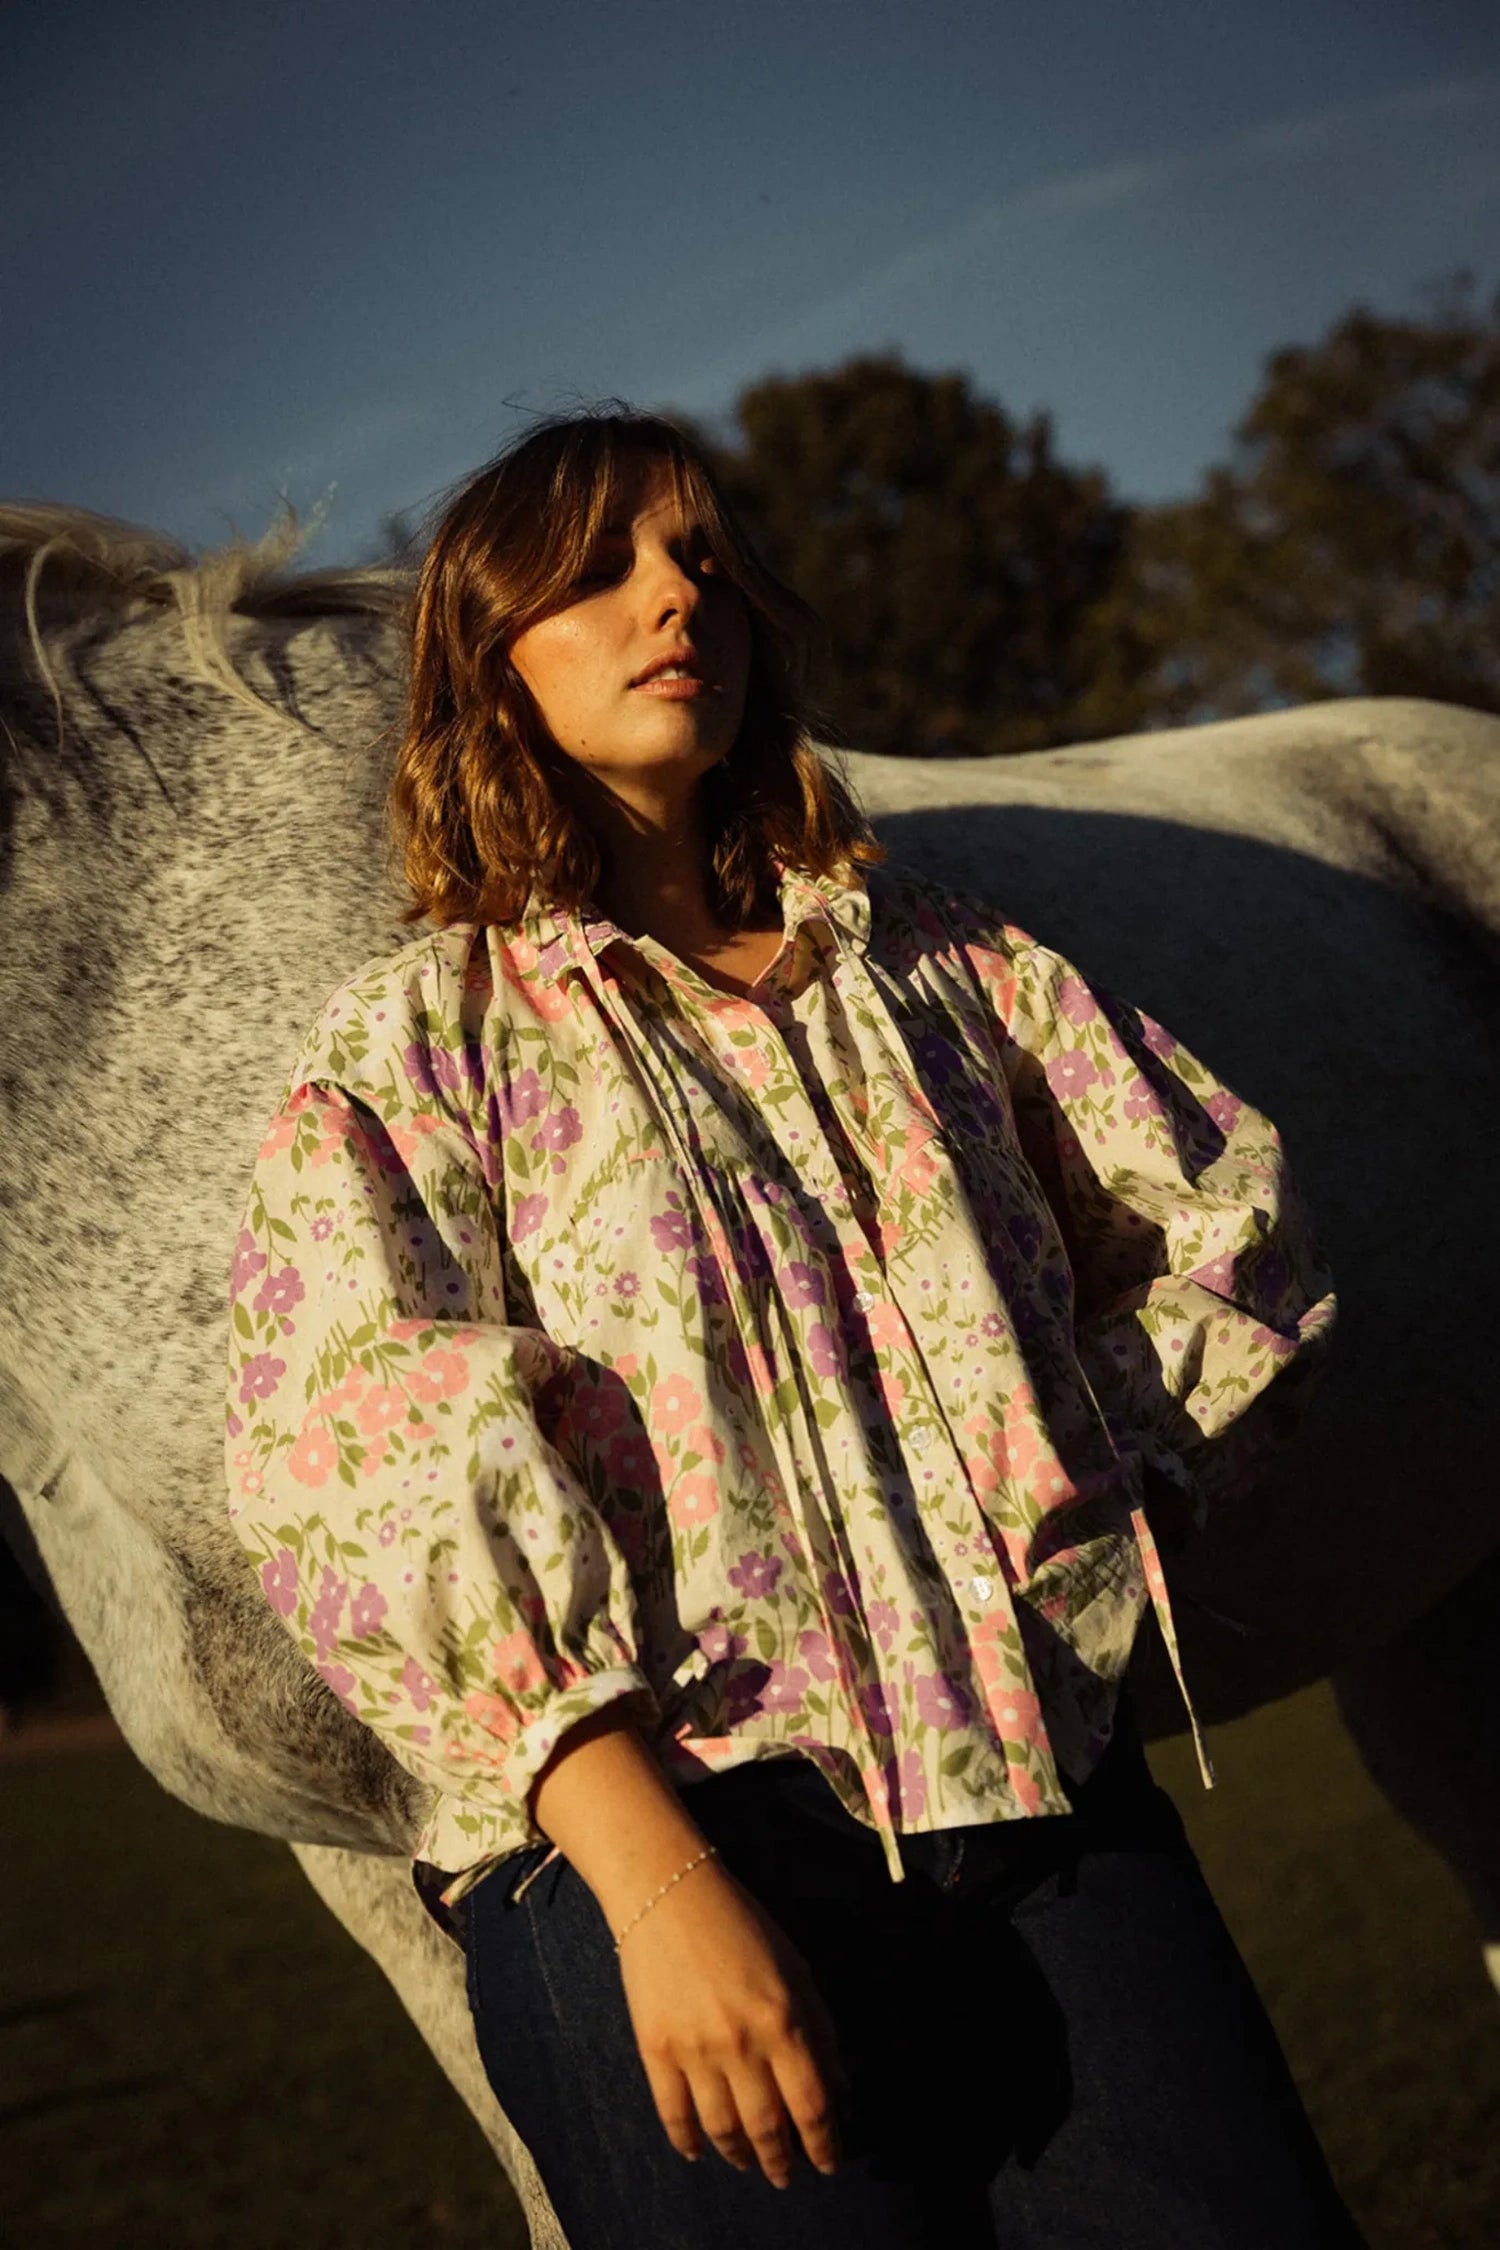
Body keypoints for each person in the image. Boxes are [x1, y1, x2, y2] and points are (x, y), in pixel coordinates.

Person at [225, 406, 1365, 2248]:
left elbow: (1231, 1228)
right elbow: (343, 1457)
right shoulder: (418, 1044)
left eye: (702, 555)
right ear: (488, 659)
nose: (679, 592)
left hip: (1048, 1811)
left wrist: (1082, 1480)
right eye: (601, 569)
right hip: (650, 1864)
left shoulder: (945, 965)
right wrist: (657, 1882)